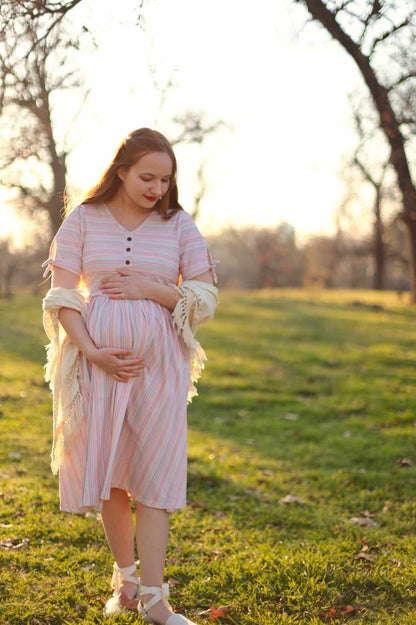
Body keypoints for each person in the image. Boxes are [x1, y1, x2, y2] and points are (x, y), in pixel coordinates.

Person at [41, 128, 219, 625]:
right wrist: (93, 352)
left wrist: (152, 287)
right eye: (147, 176)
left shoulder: (179, 224)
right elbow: (63, 298)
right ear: (121, 170)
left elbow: (204, 298)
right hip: (98, 365)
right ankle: (127, 582)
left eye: (165, 179)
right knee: (114, 476)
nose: (156, 188)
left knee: (155, 473)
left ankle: (157, 600)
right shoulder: (82, 220)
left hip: (160, 364)